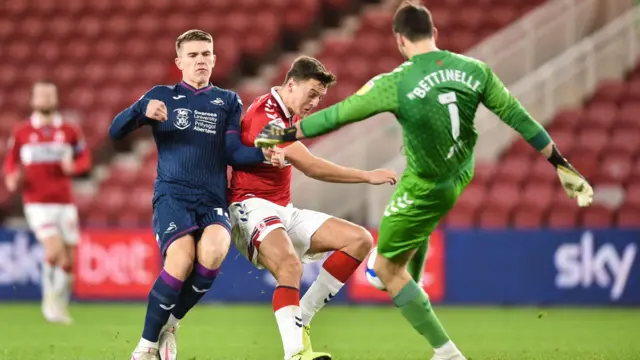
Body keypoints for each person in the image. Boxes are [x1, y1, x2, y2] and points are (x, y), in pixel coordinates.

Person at [253, 3, 595, 360]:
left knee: (383, 271)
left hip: (424, 184)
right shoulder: (476, 70)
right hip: (459, 174)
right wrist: (560, 163)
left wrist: (285, 132)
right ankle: (403, 279)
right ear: (435, 33)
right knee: (396, 252)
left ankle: (446, 353)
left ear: (400, 40)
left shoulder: (396, 81)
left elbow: (338, 115)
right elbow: (519, 118)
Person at [109, 29, 276, 360]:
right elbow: (115, 132)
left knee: (214, 253)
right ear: (179, 62)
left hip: (213, 199)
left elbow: (232, 152)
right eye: (193, 55)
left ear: (214, 59)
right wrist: (140, 110)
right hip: (173, 196)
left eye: (206, 54)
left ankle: (170, 324)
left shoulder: (228, 101)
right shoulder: (161, 96)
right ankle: (144, 348)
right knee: (182, 259)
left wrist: (262, 154)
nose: (201, 60)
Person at [228, 55, 398, 360]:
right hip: (250, 206)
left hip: (283, 209)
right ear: (291, 84)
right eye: (312, 94)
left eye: (320, 97)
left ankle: (302, 316)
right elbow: (312, 166)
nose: (314, 102)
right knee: (290, 267)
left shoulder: (284, 112)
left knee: (360, 239)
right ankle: (294, 354)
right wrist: (366, 176)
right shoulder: (266, 117)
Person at [3, 80, 92, 325]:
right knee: (53, 250)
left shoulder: (70, 130)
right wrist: (11, 177)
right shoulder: (21, 131)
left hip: (64, 202)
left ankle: (60, 305)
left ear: (56, 98)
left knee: (69, 262)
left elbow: (84, 157)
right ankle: (48, 302)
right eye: (41, 95)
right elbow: (10, 161)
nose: (45, 99)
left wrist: (74, 167)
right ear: (32, 100)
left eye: (50, 94)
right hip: (36, 202)